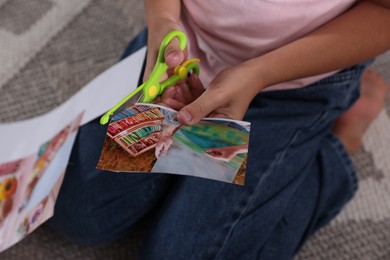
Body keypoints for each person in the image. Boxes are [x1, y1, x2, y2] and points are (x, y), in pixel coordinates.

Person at [49, 1, 390, 259]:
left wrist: (258, 74)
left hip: (292, 86)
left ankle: (338, 147)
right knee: (77, 215)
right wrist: (163, 22)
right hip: (174, 53)